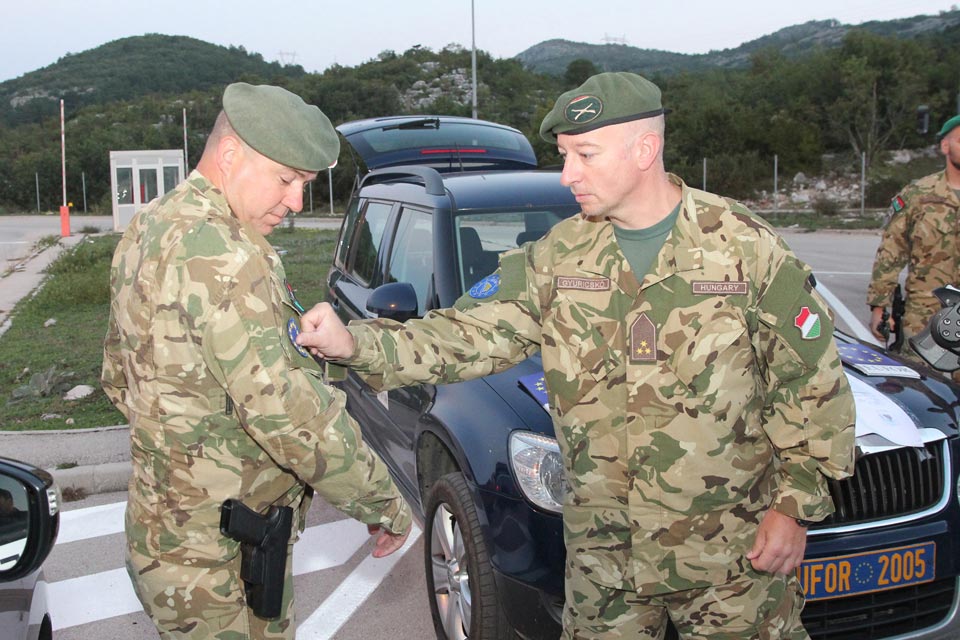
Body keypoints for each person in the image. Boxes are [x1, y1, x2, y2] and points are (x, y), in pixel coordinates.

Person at [296, 72, 856, 639]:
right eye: (564, 156)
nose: (568, 175)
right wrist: (356, 343)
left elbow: (811, 384)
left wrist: (794, 508)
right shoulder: (558, 256)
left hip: (731, 558)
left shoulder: (744, 248)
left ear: (645, 149)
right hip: (603, 562)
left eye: (585, 154)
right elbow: (465, 333)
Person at [101, 82, 411, 639]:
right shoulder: (226, 255)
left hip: (167, 535)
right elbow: (291, 418)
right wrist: (382, 502)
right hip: (221, 558)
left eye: (306, 185)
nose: (295, 203)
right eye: (286, 179)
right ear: (229, 155)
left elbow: (118, 376)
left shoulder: (151, 224)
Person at [868, 114, 960, 376]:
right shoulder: (918, 195)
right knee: (920, 389)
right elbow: (891, 252)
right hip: (925, 314)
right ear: (945, 146)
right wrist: (879, 306)